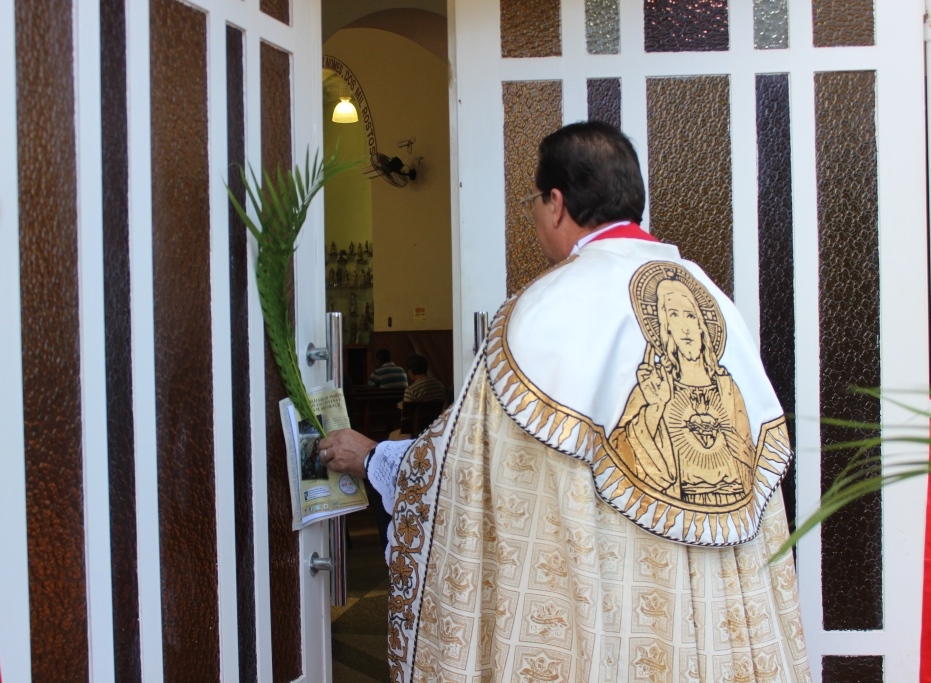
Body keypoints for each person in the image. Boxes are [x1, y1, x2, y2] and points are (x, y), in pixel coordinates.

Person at [319, 122, 810, 682]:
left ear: (556, 204)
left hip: (611, 607)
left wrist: (374, 457)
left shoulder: (545, 308)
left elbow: (465, 468)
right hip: (710, 619)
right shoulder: (712, 299)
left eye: (534, 200)